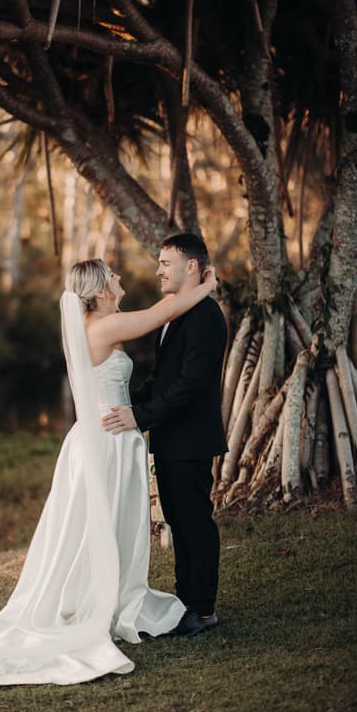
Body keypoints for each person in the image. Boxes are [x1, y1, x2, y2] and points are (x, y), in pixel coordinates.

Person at [0, 258, 217, 689]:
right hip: (105, 442)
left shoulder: (99, 322)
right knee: (96, 524)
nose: (119, 277)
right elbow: (160, 314)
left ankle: (105, 597)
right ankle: (96, 603)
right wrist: (207, 286)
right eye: (112, 275)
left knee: (104, 524)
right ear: (99, 291)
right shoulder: (101, 326)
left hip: (107, 438)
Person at [103, 234, 228, 638]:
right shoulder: (176, 314)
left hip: (191, 438)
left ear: (191, 267)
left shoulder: (206, 316)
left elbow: (191, 384)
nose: (158, 270)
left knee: (194, 521)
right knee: (177, 519)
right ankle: (186, 603)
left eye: (165, 262)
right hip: (171, 437)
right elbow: (163, 379)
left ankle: (203, 610)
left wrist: (140, 416)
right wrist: (126, 402)